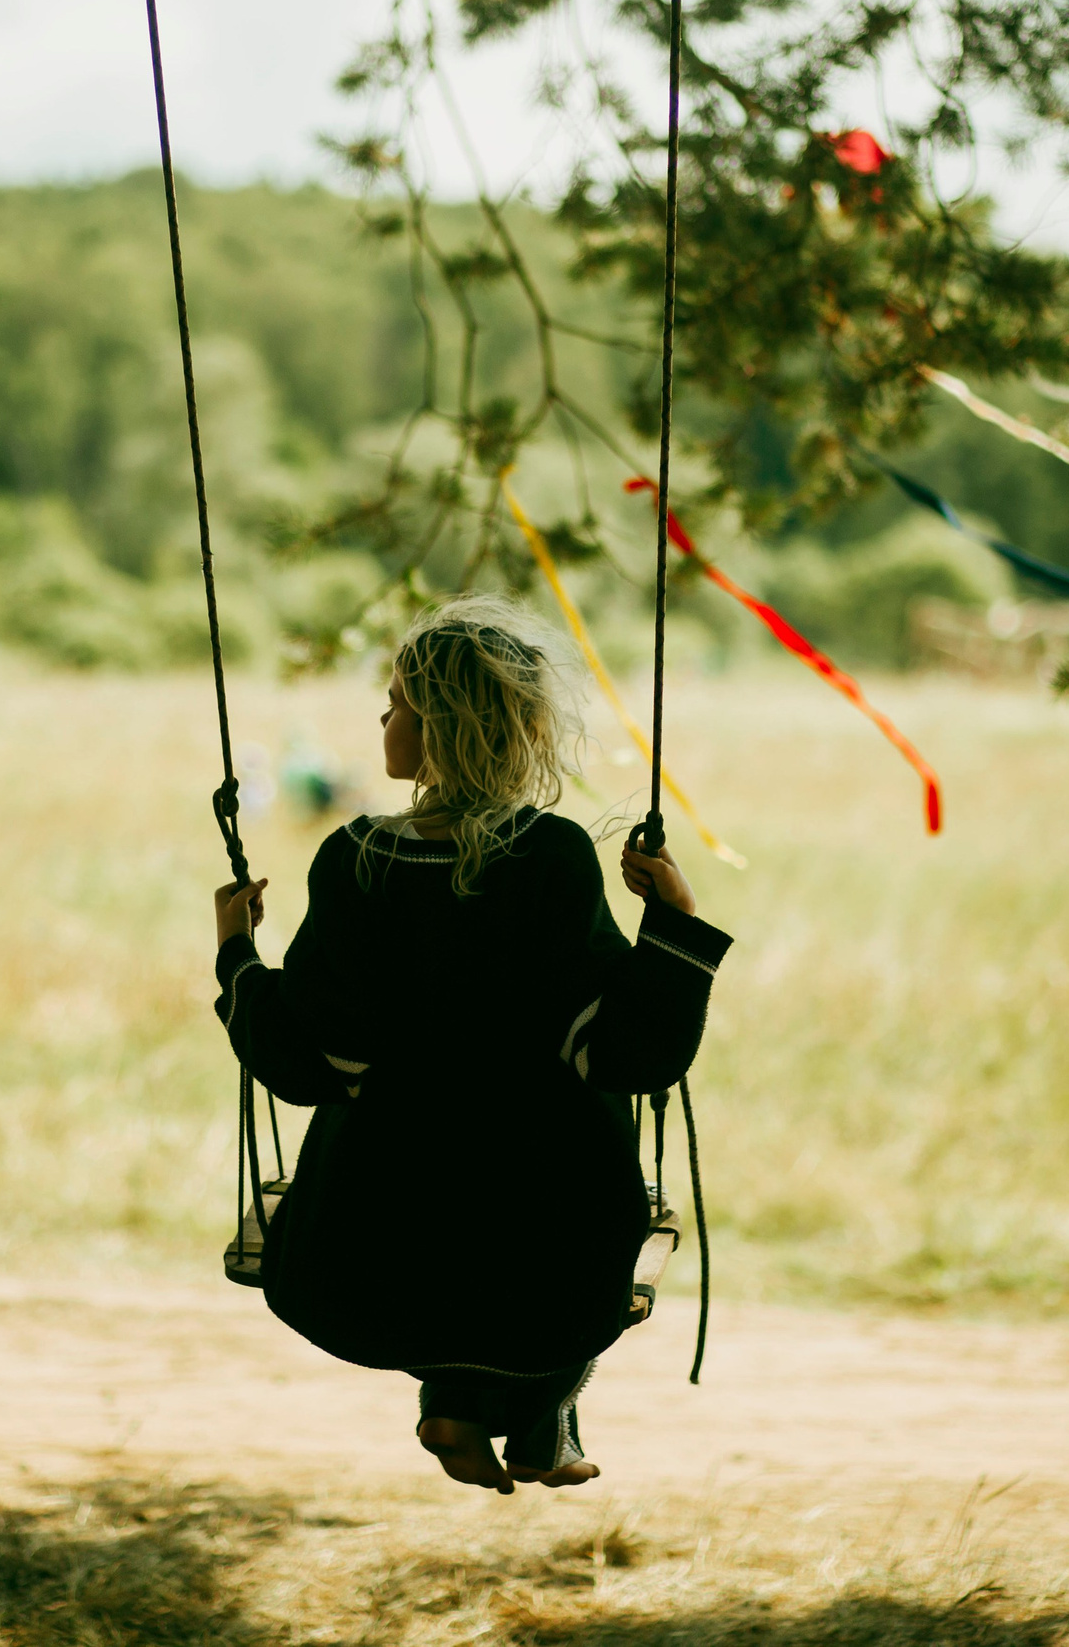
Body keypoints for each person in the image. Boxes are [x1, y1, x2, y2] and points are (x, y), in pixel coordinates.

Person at [211, 596, 733, 1495]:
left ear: (445, 725)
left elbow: (307, 1052)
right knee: (584, 1235)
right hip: (542, 1199)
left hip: (379, 1206)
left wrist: (236, 954)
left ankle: (471, 1406)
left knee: (458, 1243)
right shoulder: (554, 857)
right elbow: (616, 1050)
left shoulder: (356, 857)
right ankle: (521, 1418)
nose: (383, 717)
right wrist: (674, 927)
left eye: (399, 702)